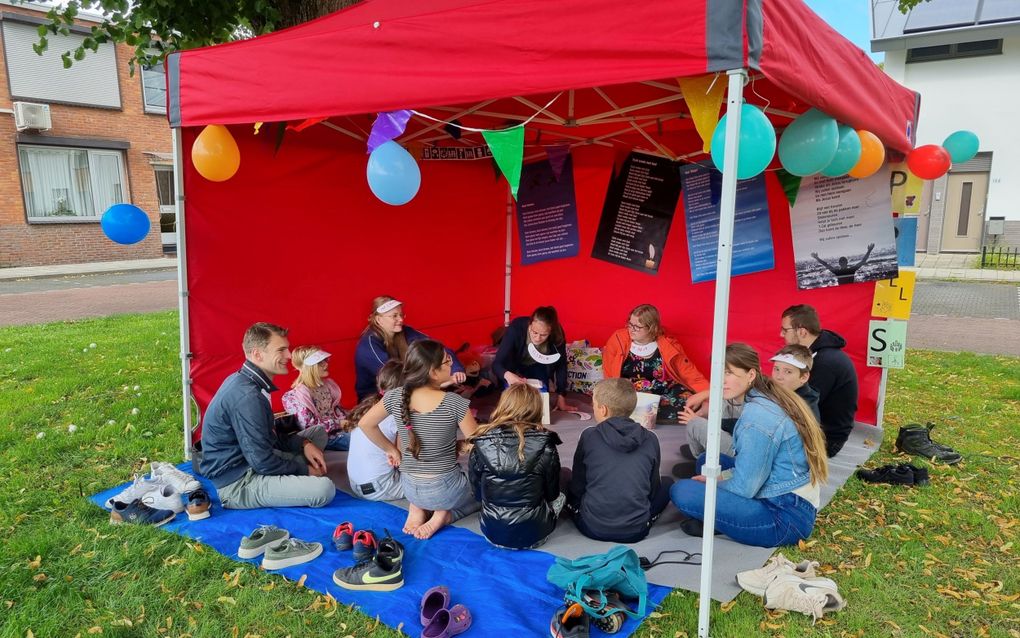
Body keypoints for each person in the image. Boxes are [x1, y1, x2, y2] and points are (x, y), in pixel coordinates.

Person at [669, 343, 829, 547]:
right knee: (707, 461)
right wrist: (719, 477)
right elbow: (748, 469)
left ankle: (723, 521)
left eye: (729, 373)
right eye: (718, 372)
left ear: (751, 374)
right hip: (777, 492)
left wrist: (714, 482)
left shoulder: (758, 416)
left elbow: (745, 486)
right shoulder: (763, 394)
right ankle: (726, 520)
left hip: (784, 515)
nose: (721, 380)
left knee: (682, 490)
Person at [199, 322, 336, 510]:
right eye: (281, 350)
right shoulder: (248, 396)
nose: (289, 355)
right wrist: (305, 470)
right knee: (324, 489)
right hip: (239, 482)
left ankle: (299, 461)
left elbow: (266, 437)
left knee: (317, 434)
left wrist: (304, 444)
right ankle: (300, 469)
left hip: (254, 458)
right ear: (257, 354)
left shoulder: (247, 381)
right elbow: (262, 461)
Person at [357, 340, 479, 539]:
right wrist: (460, 446)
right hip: (444, 490)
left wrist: (391, 449)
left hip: (410, 489)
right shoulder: (455, 402)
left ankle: (417, 509)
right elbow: (478, 445)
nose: (451, 364)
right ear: (433, 372)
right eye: (447, 361)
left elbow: (365, 424)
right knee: (484, 491)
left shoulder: (395, 396)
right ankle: (444, 516)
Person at [567, 378, 673, 543]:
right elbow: (653, 488)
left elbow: (578, 485)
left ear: (603, 409)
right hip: (637, 530)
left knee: (566, 476)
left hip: (592, 527)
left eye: (593, 404)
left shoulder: (589, 436)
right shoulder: (651, 438)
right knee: (668, 483)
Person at [468, 384, 563, 549]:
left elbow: (477, 493)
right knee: (565, 480)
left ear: (503, 406)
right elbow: (552, 494)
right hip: (535, 534)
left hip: (492, 532)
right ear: (536, 409)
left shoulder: (481, 442)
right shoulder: (545, 443)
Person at [602, 304, 709, 424]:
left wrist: (707, 395)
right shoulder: (618, 339)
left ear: (651, 328)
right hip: (630, 391)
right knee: (623, 402)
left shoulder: (669, 344)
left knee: (688, 400)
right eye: (630, 324)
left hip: (662, 389)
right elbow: (608, 374)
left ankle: (641, 414)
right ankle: (647, 413)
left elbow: (690, 374)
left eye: (637, 327)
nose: (631, 329)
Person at [780, 304, 858, 457]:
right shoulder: (818, 354)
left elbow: (802, 407)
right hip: (819, 429)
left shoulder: (824, 362)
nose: (781, 334)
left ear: (802, 331)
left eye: (785, 330)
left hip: (826, 440)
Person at [354, 296, 466, 400]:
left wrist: (456, 369)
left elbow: (439, 349)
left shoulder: (406, 331)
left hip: (407, 390)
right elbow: (393, 378)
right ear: (378, 320)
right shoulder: (368, 346)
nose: (401, 320)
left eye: (401, 315)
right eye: (394, 316)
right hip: (377, 399)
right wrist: (434, 384)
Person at [345, 360, 406, 501]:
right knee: (432, 483)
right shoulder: (397, 415)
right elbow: (404, 459)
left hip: (356, 485)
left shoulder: (372, 405)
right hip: (380, 487)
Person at [492, 306, 571, 411]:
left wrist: (561, 395)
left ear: (551, 332)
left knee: (539, 402)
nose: (538, 338)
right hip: (514, 365)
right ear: (529, 325)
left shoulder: (558, 335)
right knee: (513, 401)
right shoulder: (516, 328)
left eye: (544, 335)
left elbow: (561, 365)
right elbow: (497, 364)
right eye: (535, 333)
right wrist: (507, 375)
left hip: (538, 366)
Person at [281, 346, 350, 451]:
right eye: (320, 362)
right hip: (323, 438)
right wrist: (339, 423)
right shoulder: (294, 397)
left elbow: (338, 411)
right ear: (308, 367)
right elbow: (309, 426)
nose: (326, 364)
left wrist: (353, 418)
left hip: (340, 431)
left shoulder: (327, 386)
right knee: (363, 440)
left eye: (325, 360)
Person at [769, 344, 821, 423]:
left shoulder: (805, 413)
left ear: (804, 377)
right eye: (776, 369)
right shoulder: (775, 392)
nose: (779, 377)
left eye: (788, 372)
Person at [811, 243, 875, 286]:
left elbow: (826, 264)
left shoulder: (839, 272)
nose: (843, 263)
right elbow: (825, 264)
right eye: (842, 262)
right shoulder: (849, 270)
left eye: (843, 261)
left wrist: (869, 251)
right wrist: (817, 258)